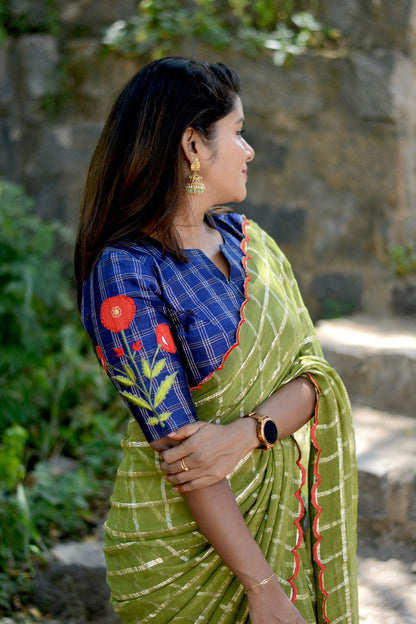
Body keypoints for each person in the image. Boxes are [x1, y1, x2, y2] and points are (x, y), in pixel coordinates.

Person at [74, 57, 358, 624]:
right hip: (182, 561)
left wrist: (248, 434)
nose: (249, 149)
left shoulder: (251, 243)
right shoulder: (126, 274)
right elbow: (184, 456)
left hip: (283, 531)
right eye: (237, 131)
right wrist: (263, 588)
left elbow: (314, 378)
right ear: (192, 146)